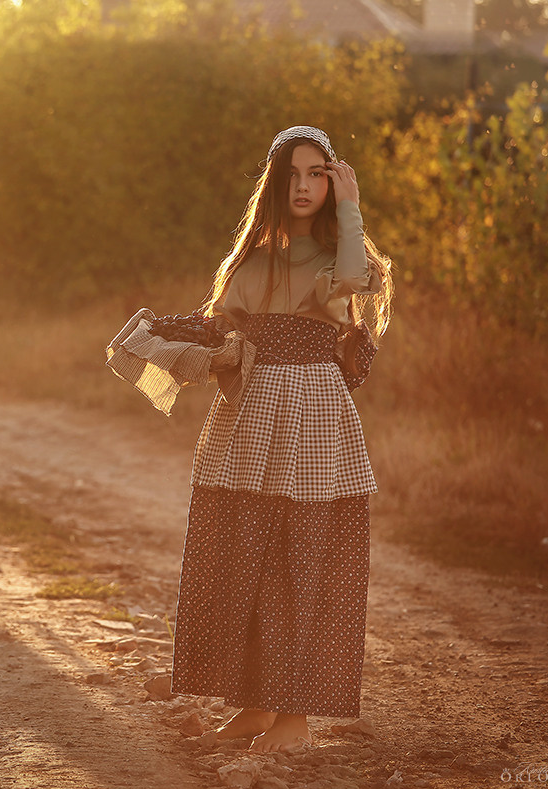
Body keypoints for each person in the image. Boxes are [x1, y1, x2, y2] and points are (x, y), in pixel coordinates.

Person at [169, 126, 394, 753]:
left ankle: (296, 719)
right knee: (248, 557)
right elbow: (224, 333)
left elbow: (353, 278)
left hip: (315, 419)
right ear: (274, 185)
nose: (302, 186)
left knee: (305, 561)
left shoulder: (339, 257)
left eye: (316, 173)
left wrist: (350, 206)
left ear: (332, 181)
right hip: (250, 423)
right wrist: (183, 347)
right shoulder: (251, 264)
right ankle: (254, 706)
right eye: (291, 175)